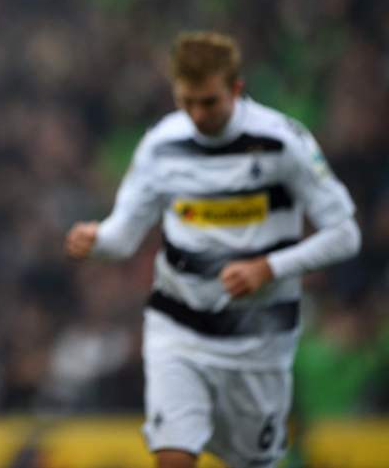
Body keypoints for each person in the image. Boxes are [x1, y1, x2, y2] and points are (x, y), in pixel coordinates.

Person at [64, 31, 360, 468]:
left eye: (209, 102)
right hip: (179, 330)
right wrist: (96, 240)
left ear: (236, 90)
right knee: (173, 457)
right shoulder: (161, 145)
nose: (197, 115)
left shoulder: (283, 141)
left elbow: (345, 234)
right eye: (187, 102)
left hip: (260, 336)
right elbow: (123, 236)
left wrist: (269, 267)